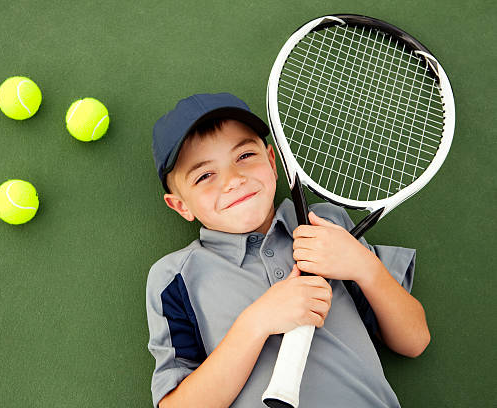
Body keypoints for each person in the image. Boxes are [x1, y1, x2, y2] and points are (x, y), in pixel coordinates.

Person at [146, 93, 430, 407]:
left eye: (244, 156)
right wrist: (256, 322)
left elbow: (415, 340)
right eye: (205, 176)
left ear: (271, 161)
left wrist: (365, 266)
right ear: (180, 205)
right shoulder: (174, 277)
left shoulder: (326, 223)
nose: (233, 180)